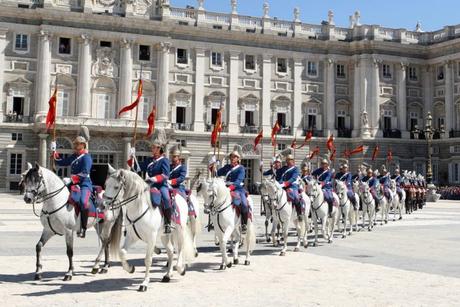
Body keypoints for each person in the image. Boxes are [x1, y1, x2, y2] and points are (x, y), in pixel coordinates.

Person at [52, 126, 92, 238]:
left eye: (77, 144)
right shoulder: (74, 156)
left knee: (84, 202)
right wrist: (55, 152)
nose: (74, 146)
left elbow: (84, 173)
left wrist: (72, 179)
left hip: (84, 183)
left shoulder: (86, 158)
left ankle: (83, 228)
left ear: (83, 145)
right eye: (74, 144)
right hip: (74, 183)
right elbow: (62, 162)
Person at [140, 133, 172, 234]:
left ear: (159, 149)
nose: (152, 149)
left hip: (161, 185)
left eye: (154, 147)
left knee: (166, 198)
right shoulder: (149, 160)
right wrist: (132, 159)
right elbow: (138, 168)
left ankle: (167, 223)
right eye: (152, 147)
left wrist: (154, 179)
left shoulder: (164, 161)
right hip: (150, 186)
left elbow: (165, 175)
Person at [216, 149, 249, 233]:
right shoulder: (227, 167)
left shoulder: (241, 168)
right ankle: (215, 221)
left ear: (238, 159)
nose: (232, 158)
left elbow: (238, 181)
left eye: (234, 157)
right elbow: (217, 173)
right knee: (214, 200)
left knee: (244, 204)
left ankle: (244, 223)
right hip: (225, 188)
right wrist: (215, 166)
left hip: (237, 189)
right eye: (231, 157)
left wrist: (230, 188)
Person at [168, 146, 194, 215]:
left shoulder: (182, 167)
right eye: (171, 156)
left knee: (183, 199)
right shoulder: (170, 166)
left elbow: (181, 178)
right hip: (168, 186)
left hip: (178, 187)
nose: (172, 158)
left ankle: (187, 213)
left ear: (178, 157)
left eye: (174, 157)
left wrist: (171, 181)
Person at [279, 154, 303, 221]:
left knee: (296, 197)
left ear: (293, 161)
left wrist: (285, 183)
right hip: (283, 186)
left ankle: (299, 213)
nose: (289, 161)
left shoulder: (295, 169)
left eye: (290, 160)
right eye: (287, 160)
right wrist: (279, 183)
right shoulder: (284, 168)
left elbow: (293, 178)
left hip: (292, 186)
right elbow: (281, 177)